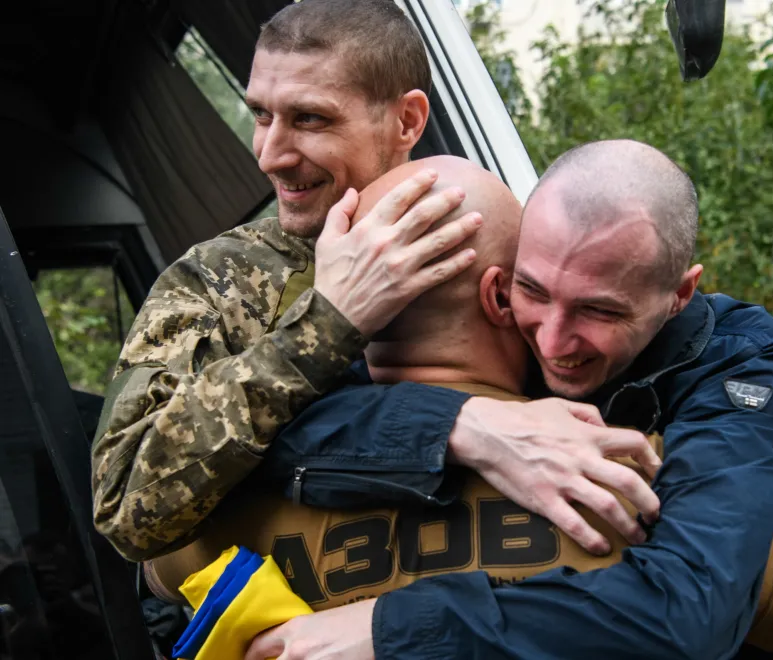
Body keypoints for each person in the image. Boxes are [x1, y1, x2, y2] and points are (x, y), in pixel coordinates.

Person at [145, 155, 773, 660]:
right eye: (531, 291)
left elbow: (163, 506)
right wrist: (464, 426)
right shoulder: (642, 487)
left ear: (679, 296)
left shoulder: (208, 512)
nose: (554, 342)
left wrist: (387, 628)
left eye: (597, 309)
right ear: (499, 290)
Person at [91, 0, 664, 563]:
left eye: (309, 118)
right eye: (262, 115)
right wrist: (324, 328)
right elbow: (126, 510)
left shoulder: (511, 234)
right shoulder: (224, 280)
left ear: (408, 120)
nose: (269, 154)